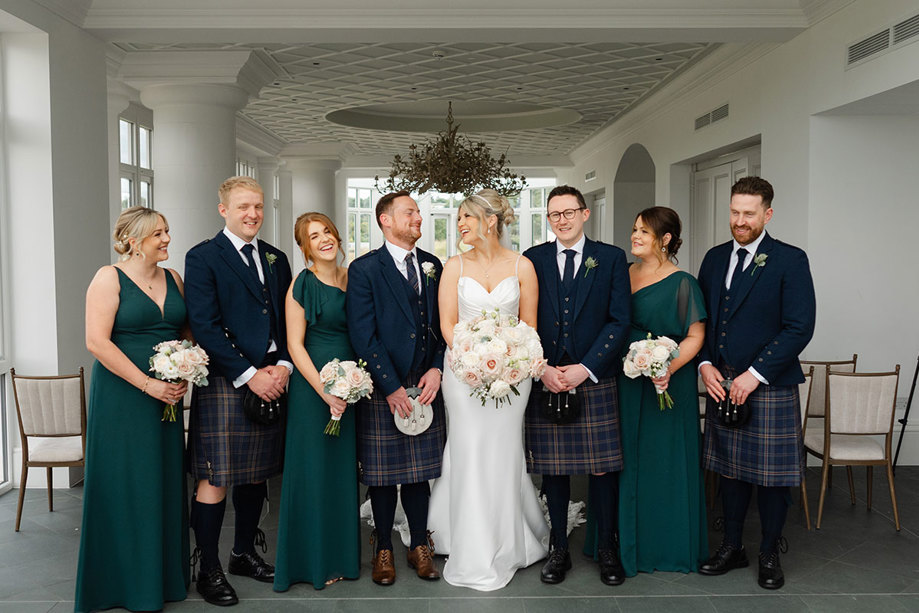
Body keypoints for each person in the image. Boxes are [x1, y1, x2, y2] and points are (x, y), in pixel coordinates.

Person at [697, 176, 816, 590]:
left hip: (769, 384)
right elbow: (704, 322)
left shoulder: (789, 259)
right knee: (729, 472)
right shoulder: (713, 259)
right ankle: (732, 546)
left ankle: (768, 551)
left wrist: (754, 374)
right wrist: (706, 362)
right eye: (734, 212)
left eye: (749, 213)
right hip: (721, 382)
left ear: (767, 213)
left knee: (772, 476)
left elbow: (800, 327)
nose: (740, 221)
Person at [427, 189, 549, 591]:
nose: (459, 225)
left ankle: (507, 535)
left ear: (491, 220)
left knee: (503, 448)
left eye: (466, 217)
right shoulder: (453, 266)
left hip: (514, 374)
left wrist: (513, 359)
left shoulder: (523, 266)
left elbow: (529, 325)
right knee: (469, 446)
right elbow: (446, 322)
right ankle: (464, 537)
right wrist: (469, 356)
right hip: (463, 373)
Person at [184, 176, 293, 606]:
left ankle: (243, 553)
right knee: (216, 478)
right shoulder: (204, 257)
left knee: (255, 475)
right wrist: (250, 374)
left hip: (274, 376)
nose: (253, 214)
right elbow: (205, 326)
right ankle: (207, 567)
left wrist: (283, 365)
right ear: (223, 209)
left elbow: (288, 319)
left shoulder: (277, 257)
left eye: (259, 207)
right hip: (229, 381)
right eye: (244, 206)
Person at [76, 207, 190, 612]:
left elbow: (185, 333)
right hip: (124, 397)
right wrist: (148, 384)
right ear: (134, 240)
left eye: (167, 232)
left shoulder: (174, 278)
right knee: (126, 484)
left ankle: (161, 580)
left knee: (160, 482)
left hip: (167, 399)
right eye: (159, 233)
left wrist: (186, 366)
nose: (167, 240)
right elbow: (97, 342)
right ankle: (120, 584)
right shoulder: (108, 278)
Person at [522, 185, 630, 586]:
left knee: (603, 471)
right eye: (554, 214)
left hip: (594, 377)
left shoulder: (611, 258)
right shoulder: (533, 259)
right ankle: (559, 549)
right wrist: (542, 368)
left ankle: (607, 549)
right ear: (548, 219)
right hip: (547, 377)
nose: (562, 220)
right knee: (553, 472)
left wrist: (586, 367)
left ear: (585, 214)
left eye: (569, 212)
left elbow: (619, 320)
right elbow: (522, 320)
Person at [346, 191, 446, 586]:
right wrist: (389, 387)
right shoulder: (365, 269)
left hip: (424, 383)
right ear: (385, 220)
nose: (418, 218)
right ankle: (383, 546)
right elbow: (363, 334)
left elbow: (442, 326)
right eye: (410, 212)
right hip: (383, 387)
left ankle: (419, 543)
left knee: (420, 474)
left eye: (419, 212)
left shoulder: (433, 265)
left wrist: (437, 369)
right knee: (384, 475)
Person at [615, 207, 708, 576]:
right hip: (626, 380)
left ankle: (668, 546)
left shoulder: (683, 282)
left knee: (665, 463)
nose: (635, 236)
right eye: (634, 229)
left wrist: (663, 368)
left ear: (665, 239)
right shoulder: (623, 274)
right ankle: (623, 544)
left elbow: (696, 336)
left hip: (668, 383)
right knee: (627, 459)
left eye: (643, 231)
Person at [273, 213, 360, 591]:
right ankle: (308, 562)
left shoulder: (352, 277)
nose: (324, 239)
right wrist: (325, 391)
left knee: (341, 474)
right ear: (305, 247)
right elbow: (294, 345)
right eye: (314, 236)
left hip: (352, 385)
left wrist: (352, 383)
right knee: (311, 472)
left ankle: (341, 557)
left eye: (327, 231)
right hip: (314, 390)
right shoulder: (300, 284)